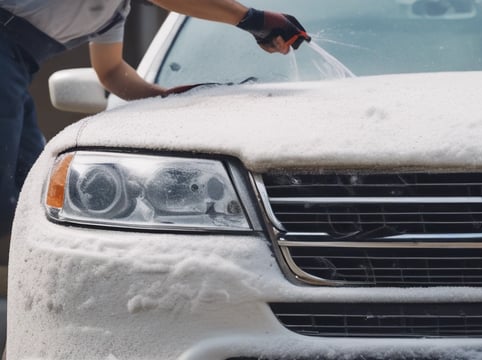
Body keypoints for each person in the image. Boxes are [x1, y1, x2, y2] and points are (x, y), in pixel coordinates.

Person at [0, 0, 310, 356]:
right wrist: (252, 19)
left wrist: (163, 96)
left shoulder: (113, 14)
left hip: (17, 72)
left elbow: (112, 71)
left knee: (21, 199)